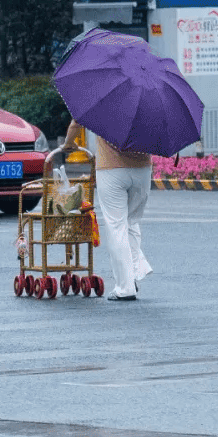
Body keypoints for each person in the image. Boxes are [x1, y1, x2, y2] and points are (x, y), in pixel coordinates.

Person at [57, 120, 153, 302]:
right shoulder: (148, 102)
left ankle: (125, 287)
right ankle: (133, 273)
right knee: (131, 222)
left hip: (111, 170)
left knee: (117, 226)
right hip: (142, 170)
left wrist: (69, 144)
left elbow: (76, 122)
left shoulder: (104, 96)